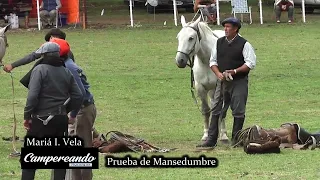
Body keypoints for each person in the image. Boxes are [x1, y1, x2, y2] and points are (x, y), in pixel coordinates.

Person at [22, 42, 83, 180]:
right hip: (60, 119)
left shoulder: (40, 70)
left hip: (40, 119)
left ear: (44, 55)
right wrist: (66, 111)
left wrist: (27, 116)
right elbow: (79, 95)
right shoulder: (66, 70)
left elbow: (32, 96)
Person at [197, 17, 256, 149]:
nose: (225, 29)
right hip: (222, 81)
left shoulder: (244, 44)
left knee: (238, 110)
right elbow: (213, 61)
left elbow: (250, 63)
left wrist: (235, 71)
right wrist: (218, 73)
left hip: (239, 81)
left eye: (228, 27)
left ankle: (236, 139)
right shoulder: (219, 43)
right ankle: (211, 139)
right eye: (225, 27)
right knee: (216, 108)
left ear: (236, 29)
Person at [50, 37, 97, 180]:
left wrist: (73, 115)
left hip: (82, 109)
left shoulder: (69, 67)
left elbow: (80, 93)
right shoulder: (65, 64)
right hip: (80, 109)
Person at [2, 28, 75, 73]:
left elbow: (31, 57)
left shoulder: (46, 49)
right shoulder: (69, 53)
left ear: (51, 38)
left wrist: (12, 65)